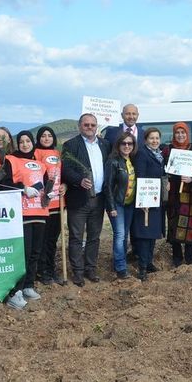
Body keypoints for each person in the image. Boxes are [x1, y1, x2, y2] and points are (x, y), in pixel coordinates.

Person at [61, 114, 110, 287]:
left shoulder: (105, 145)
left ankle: (91, 269)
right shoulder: (70, 145)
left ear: (97, 126)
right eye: (86, 124)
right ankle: (78, 272)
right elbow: (65, 169)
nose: (90, 127)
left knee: (94, 237)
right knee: (76, 236)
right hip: (78, 199)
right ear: (79, 126)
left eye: (93, 125)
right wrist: (78, 180)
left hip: (99, 198)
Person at [2, 131, 49, 308]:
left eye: (28, 141)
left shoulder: (40, 165)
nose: (24, 144)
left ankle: (29, 285)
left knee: (35, 252)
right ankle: (16, 291)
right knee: (23, 253)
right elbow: (4, 183)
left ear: (33, 143)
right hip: (21, 213)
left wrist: (49, 194)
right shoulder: (11, 160)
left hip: (40, 212)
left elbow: (45, 185)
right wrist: (23, 188)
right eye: (21, 141)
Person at [165, 122, 192, 267]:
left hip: (190, 194)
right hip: (173, 193)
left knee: (190, 224)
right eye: (177, 133)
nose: (180, 135)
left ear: (187, 134)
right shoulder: (168, 150)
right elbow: (163, 169)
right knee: (174, 222)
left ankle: (190, 257)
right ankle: (177, 257)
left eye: (183, 132)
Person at [132, 127, 166, 279]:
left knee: (152, 233)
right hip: (145, 199)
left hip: (156, 199)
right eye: (151, 138)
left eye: (157, 138)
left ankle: (149, 263)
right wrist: (143, 199)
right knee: (145, 234)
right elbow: (140, 176)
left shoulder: (159, 155)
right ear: (145, 140)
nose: (155, 141)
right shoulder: (142, 154)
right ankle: (142, 268)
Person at [104, 132, 138, 279]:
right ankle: (121, 269)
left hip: (129, 204)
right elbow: (108, 186)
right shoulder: (113, 161)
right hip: (117, 204)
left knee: (124, 236)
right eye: (123, 143)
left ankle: (120, 262)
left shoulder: (132, 161)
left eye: (130, 143)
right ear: (118, 145)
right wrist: (111, 207)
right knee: (120, 235)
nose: (126, 146)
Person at [34, 126, 65, 285]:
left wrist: (63, 186)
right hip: (42, 204)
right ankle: (42, 270)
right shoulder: (36, 153)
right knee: (43, 239)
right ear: (38, 138)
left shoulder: (58, 154)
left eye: (49, 136)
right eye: (43, 136)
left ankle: (51, 269)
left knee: (53, 239)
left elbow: (63, 175)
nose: (46, 138)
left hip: (57, 203)